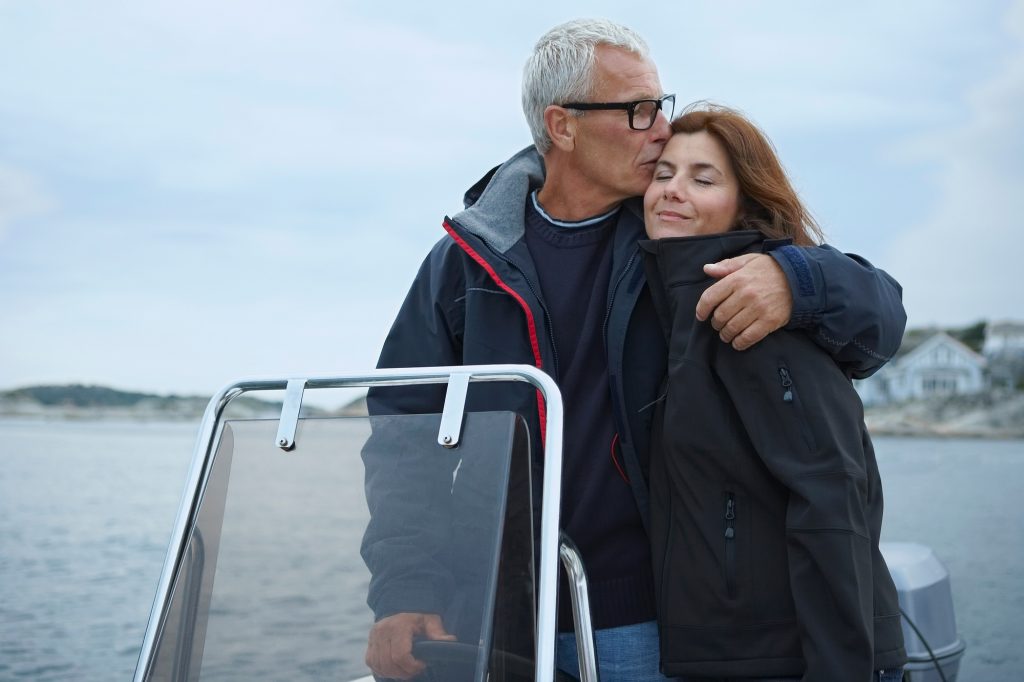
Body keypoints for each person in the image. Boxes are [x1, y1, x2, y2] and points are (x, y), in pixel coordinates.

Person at [361, 19, 906, 682]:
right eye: (638, 110)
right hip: (496, 622)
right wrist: (407, 592)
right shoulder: (464, 264)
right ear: (562, 126)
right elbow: (403, 433)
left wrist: (798, 279)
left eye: (660, 105)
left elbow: (879, 322)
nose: (660, 129)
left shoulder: (679, 240)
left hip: (655, 622)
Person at [640, 102, 907, 681]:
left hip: (787, 658)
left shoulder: (757, 313)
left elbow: (832, 503)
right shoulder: (673, 310)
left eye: (702, 178)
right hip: (721, 654)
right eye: (663, 174)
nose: (673, 191)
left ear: (745, 203)